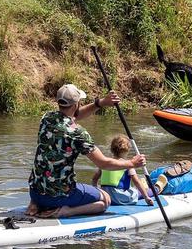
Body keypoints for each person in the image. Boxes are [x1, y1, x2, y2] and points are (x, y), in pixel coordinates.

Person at [27, 83, 146, 219]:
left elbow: (74, 116)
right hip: (60, 195)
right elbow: (103, 163)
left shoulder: (46, 118)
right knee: (105, 200)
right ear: (76, 104)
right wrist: (132, 163)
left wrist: (101, 103)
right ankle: (65, 212)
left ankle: (37, 203)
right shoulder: (78, 133)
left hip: (35, 192)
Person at [90, 134, 155, 206]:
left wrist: (97, 191)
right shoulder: (128, 164)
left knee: (133, 187)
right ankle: (157, 188)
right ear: (127, 150)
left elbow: (94, 179)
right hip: (121, 197)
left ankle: (145, 184)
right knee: (140, 192)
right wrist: (146, 197)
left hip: (106, 196)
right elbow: (136, 181)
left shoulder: (105, 164)